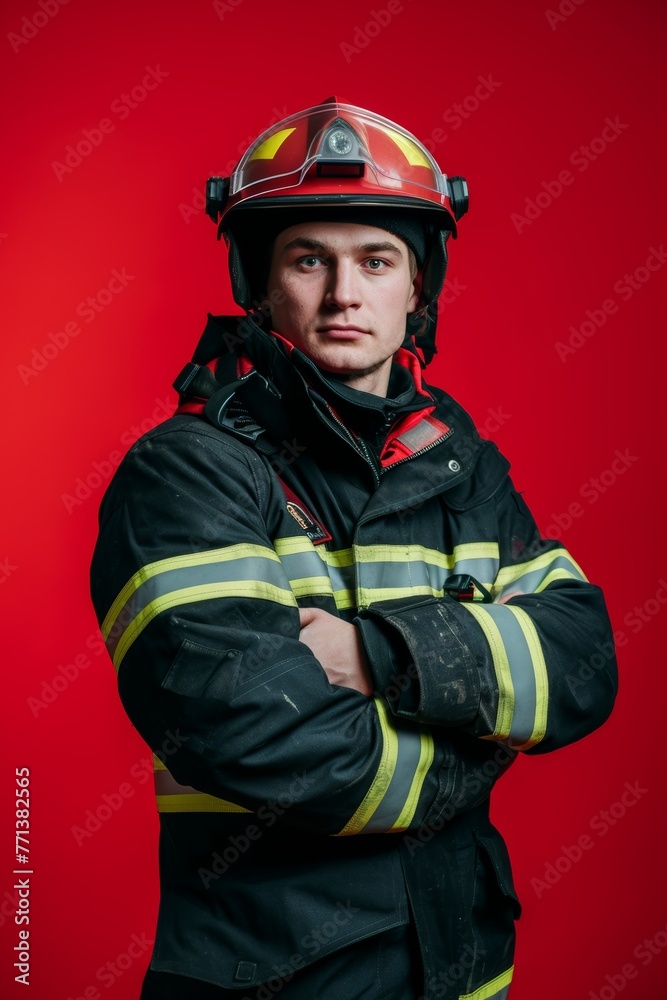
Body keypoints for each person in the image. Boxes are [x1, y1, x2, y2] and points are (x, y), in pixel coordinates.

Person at [90, 98, 618, 1000]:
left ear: (417, 289)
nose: (344, 294)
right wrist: (478, 746)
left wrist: (377, 654)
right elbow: (256, 737)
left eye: (375, 261)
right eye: (309, 260)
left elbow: (581, 662)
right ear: (260, 285)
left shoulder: (465, 469)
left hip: (465, 969)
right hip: (274, 979)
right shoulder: (187, 474)